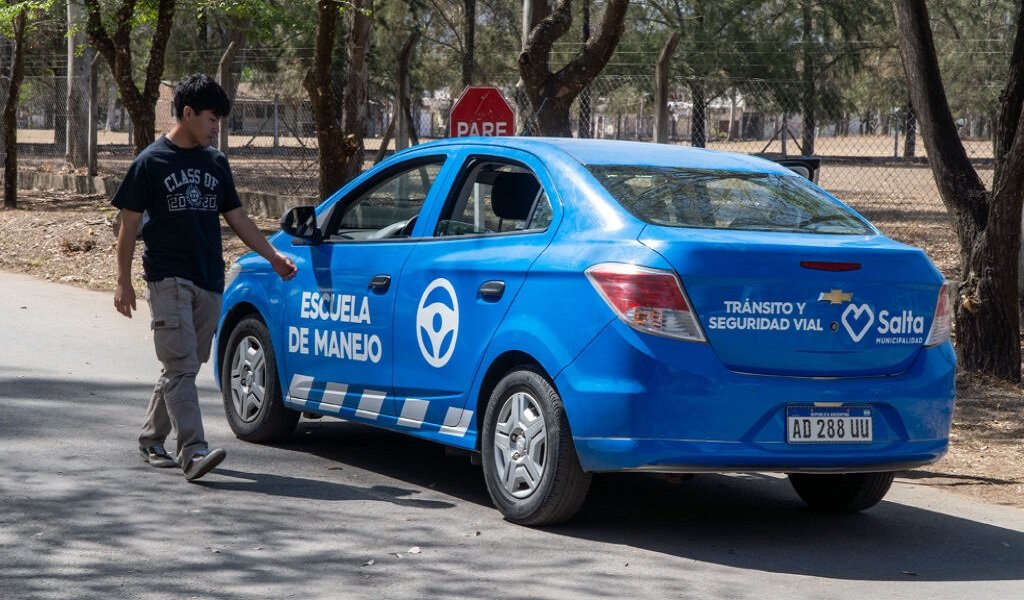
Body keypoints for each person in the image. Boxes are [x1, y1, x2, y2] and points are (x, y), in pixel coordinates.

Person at [112, 74, 297, 481]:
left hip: (209, 280)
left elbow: (237, 218)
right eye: (212, 119)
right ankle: (192, 451)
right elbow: (127, 226)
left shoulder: (216, 163)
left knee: (184, 368)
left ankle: (149, 437)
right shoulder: (150, 162)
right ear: (188, 113)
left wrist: (273, 256)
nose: (217, 128)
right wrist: (123, 281)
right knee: (179, 365)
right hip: (166, 279)